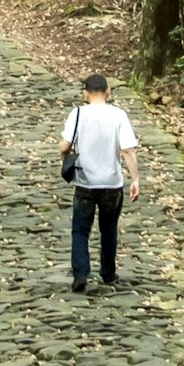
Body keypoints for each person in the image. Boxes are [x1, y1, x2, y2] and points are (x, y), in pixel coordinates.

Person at [59, 71, 140, 291]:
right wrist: (135, 179)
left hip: (85, 182)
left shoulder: (76, 114)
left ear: (85, 94)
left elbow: (64, 146)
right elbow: (127, 150)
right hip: (111, 182)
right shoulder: (118, 115)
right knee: (109, 228)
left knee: (80, 230)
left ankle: (80, 273)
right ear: (108, 92)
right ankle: (108, 272)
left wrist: (66, 161)